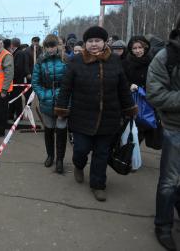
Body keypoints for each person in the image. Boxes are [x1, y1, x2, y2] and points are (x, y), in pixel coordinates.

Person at [55, 26, 137, 201]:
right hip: (81, 116)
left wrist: (129, 108)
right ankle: (79, 165)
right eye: (90, 41)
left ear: (104, 42)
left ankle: (98, 184)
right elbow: (66, 88)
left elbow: (123, 88)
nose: (94, 44)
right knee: (81, 149)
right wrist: (61, 109)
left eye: (97, 41)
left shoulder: (115, 61)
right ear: (85, 43)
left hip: (109, 117)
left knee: (102, 153)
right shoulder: (76, 61)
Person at [146, 13, 180, 251]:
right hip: (175, 128)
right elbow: (155, 94)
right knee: (170, 180)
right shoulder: (165, 57)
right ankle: (163, 225)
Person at [32, 34, 68, 173]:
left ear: (58, 46)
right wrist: (43, 95)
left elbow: (70, 81)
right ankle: (50, 156)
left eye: (53, 46)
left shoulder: (66, 60)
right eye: (48, 46)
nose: (51, 49)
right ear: (44, 47)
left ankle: (60, 160)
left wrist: (64, 97)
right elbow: (35, 82)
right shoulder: (40, 62)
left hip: (62, 102)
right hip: (46, 101)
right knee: (48, 130)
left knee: (61, 131)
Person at [123, 36, 153, 143]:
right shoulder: (126, 62)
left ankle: (132, 155)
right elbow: (122, 79)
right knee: (127, 129)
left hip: (147, 101)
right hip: (129, 100)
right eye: (134, 48)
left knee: (141, 130)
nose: (138, 51)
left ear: (145, 47)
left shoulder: (152, 61)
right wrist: (129, 85)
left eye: (140, 47)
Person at [9, 38, 29, 120]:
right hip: (16, 80)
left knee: (17, 99)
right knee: (14, 98)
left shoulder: (19, 53)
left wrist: (12, 76)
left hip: (17, 80)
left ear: (12, 44)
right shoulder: (18, 52)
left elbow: (18, 68)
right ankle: (11, 114)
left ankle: (18, 116)